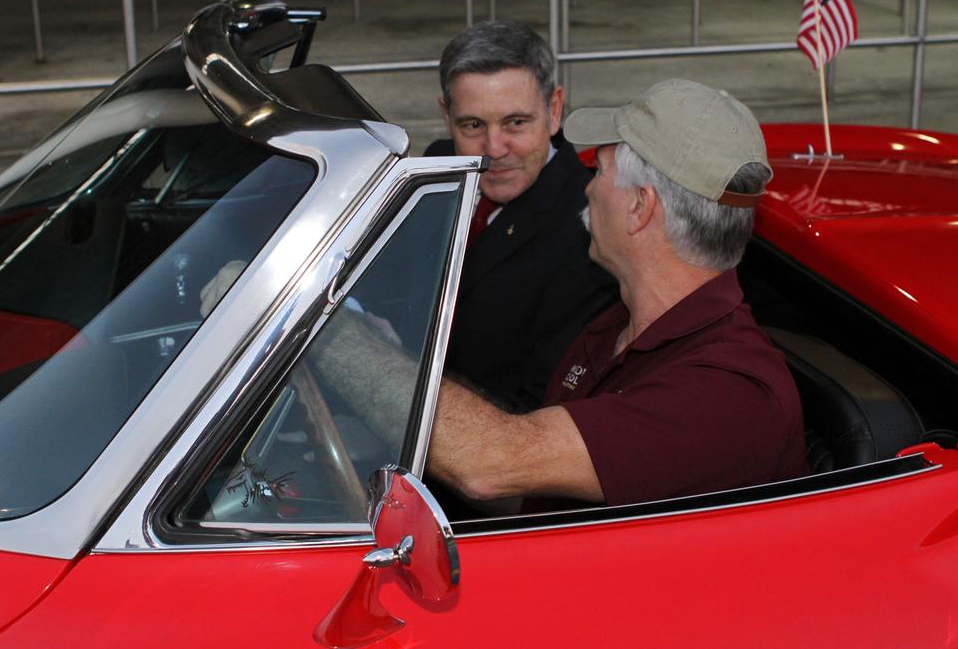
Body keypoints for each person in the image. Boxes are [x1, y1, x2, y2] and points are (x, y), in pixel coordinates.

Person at [316, 78, 808, 511]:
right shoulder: (619, 325)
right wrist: (397, 363)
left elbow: (494, 464)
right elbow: (533, 485)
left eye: (600, 173)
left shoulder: (729, 395)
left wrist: (318, 323)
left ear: (640, 207)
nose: (587, 191)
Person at [425, 21, 616, 413]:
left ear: (555, 109)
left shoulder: (591, 235)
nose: (494, 148)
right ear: (447, 116)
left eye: (516, 122)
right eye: (473, 124)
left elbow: (536, 410)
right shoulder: (437, 167)